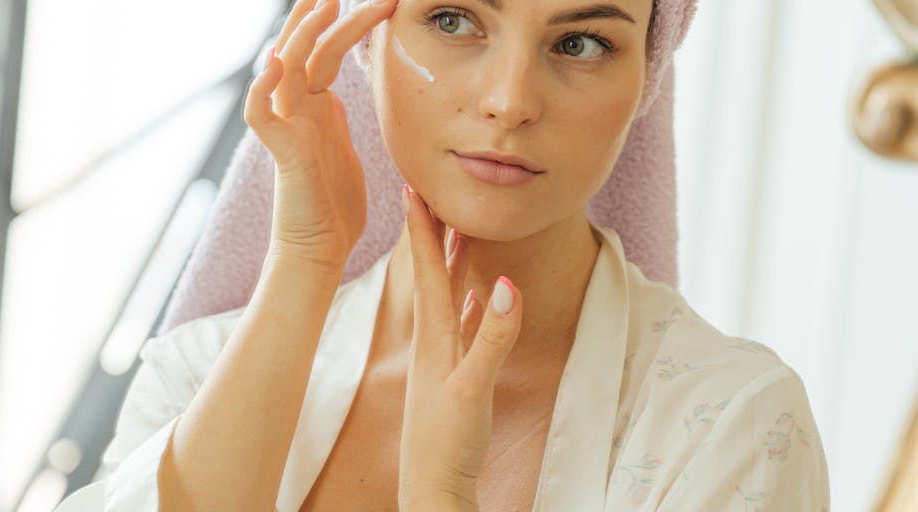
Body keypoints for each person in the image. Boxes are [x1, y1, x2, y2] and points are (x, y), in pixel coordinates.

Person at [63, 0, 832, 510]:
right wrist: (303, 259)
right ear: (366, 36)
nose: (510, 99)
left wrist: (441, 491)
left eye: (581, 41)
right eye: (455, 19)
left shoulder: (732, 426)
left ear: (647, 81)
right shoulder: (199, 372)